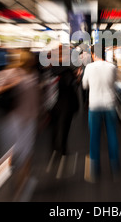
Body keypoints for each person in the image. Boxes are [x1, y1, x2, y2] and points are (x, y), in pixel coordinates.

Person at [0, 49, 40, 196]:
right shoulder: (8, 73)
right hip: (12, 121)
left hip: (30, 120)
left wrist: (40, 115)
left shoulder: (33, 74)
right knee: (10, 155)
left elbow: (36, 97)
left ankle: (21, 189)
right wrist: (9, 84)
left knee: (27, 156)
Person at [82, 43, 119, 182]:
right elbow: (114, 82)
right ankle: (115, 168)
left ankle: (95, 170)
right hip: (110, 105)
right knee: (112, 136)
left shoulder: (89, 67)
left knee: (94, 138)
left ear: (93, 54)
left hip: (95, 106)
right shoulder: (112, 67)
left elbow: (84, 85)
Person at [46, 44, 80, 178]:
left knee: (54, 126)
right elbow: (72, 85)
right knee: (65, 126)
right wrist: (77, 78)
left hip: (52, 102)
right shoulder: (67, 69)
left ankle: (54, 148)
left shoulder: (50, 68)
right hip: (66, 102)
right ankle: (63, 149)